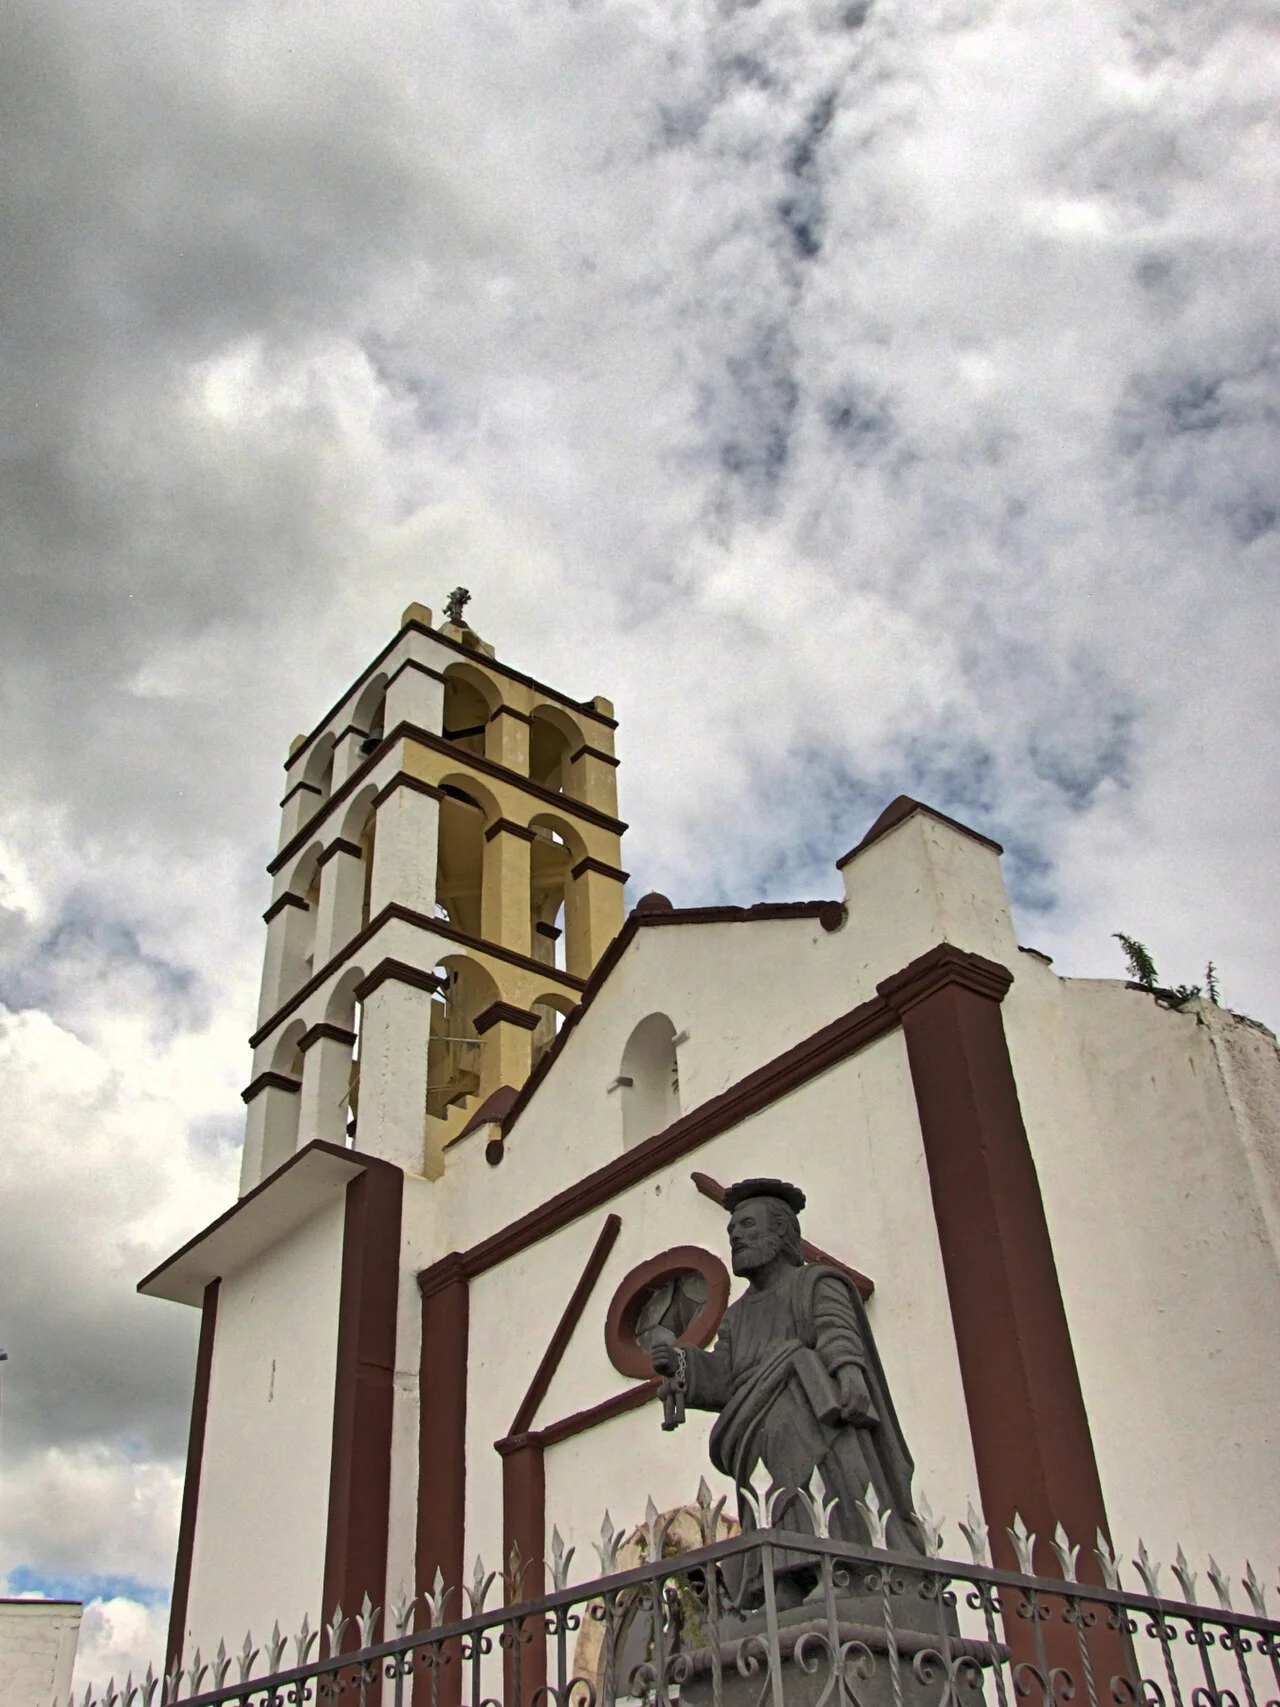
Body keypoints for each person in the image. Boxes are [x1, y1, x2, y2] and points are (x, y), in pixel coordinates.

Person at [650, 1178, 923, 1604]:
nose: (736, 1236)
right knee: (769, 1502)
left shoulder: (815, 1284)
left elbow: (838, 1335)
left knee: (820, 1491)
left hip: (815, 1419)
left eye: (747, 1226)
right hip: (756, 1436)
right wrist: (683, 1363)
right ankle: (780, 1582)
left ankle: (843, 1570)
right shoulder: (737, 1316)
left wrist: (849, 1375)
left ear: (781, 1234)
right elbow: (726, 1376)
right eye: (732, 1231)